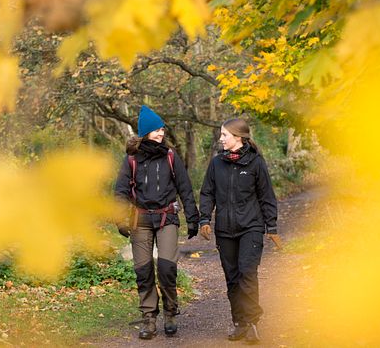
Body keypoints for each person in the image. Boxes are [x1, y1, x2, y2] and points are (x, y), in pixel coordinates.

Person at [114, 105, 200, 340]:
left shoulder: (171, 156)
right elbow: (120, 191)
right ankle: (149, 318)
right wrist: (120, 219)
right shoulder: (131, 159)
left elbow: (185, 188)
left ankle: (170, 312)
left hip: (167, 218)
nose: (161, 133)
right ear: (145, 133)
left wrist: (193, 217)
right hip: (140, 219)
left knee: (166, 268)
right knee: (143, 271)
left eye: (162, 129)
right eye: (156, 130)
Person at [198, 118, 279, 344]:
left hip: (251, 227)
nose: (220, 139)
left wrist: (271, 226)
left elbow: (267, 197)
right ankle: (239, 323)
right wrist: (205, 218)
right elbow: (207, 193)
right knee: (232, 279)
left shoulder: (256, 163)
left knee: (247, 272)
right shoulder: (216, 164)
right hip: (225, 231)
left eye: (224, 135)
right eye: (221, 135)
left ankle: (252, 322)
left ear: (238, 137)